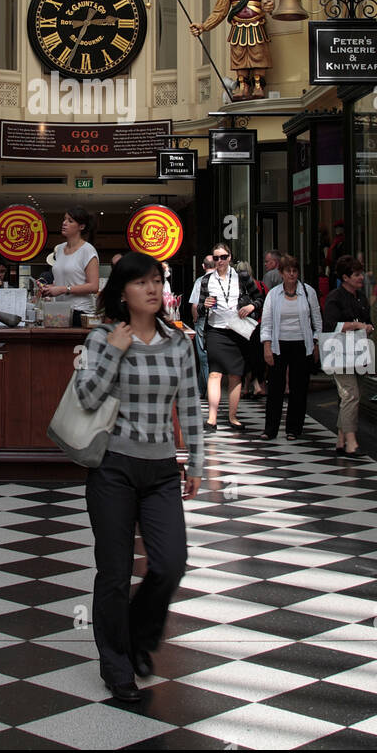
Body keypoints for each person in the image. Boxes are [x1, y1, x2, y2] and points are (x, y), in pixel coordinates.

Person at [75, 251, 203, 701]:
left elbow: (189, 404)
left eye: (158, 280)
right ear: (123, 292)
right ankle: (117, 664)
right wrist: (113, 352)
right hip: (112, 468)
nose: (152, 289)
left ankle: (140, 636)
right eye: (142, 282)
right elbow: (86, 397)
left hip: (162, 469)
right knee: (114, 572)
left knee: (170, 564)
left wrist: (197, 461)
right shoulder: (100, 339)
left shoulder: (179, 341)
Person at [190, 0, 275, 100]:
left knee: (258, 53)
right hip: (237, 28)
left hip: (257, 25)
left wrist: (268, 4)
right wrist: (203, 26)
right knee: (239, 55)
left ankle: (258, 86)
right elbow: (219, 13)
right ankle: (243, 87)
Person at [200, 244, 263, 434]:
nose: (220, 261)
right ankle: (212, 418)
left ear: (230, 258)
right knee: (215, 373)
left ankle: (233, 417)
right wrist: (205, 304)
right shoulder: (206, 280)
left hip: (237, 330)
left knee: (236, 374)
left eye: (223, 257)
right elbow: (201, 309)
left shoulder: (242, 277)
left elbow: (260, 298)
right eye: (216, 258)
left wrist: (251, 307)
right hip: (216, 331)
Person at [259, 255, 322, 441]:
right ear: (281, 273)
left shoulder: (308, 292)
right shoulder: (274, 294)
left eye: (295, 271)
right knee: (276, 388)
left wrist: (317, 342)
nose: (292, 274)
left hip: (302, 344)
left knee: (298, 387)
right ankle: (270, 429)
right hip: (279, 344)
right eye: (288, 271)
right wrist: (267, 346)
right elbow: (267, 322)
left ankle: (293, 429)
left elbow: (317, 319)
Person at [323, 254, 373, 458]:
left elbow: (367, 320)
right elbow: (330, 326)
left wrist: (367, 327)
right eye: (356, 274)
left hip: (358, 352)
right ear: (345, 277)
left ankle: (341, 439)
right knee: (350, 394)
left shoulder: (360, 297)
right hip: (339, 353)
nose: (360, 278)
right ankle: (351, 441)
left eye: (361, 274)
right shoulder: (335, 297)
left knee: (350, 396)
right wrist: (356, 325)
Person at [40, 208, 100, 321]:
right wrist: (50, 288)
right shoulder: (60, 248)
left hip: (80, 311)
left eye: (70, 221)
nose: (64, 223)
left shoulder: (87, 250)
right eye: (64, 219)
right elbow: (63, 281)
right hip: (60, 310)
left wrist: (63, 289)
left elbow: (93, 286)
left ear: (81, 227)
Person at [237, 260, 268, 399]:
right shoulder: (261, 285)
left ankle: (246, 387)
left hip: (243, 325)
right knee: (256, 356)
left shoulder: (239, 286)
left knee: (247, 357)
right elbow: (266, 303)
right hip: (258, 324)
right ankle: (257, 385)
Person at [189, 255, 215, 399]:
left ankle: (211, 393)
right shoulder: (219, 280)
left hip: (203, 320)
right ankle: (200, 390)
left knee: (204, 358)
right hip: (218, 322)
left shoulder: (201, 281)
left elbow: (194, 305)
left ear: (203, 266)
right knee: (207, 358)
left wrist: (195, 320)